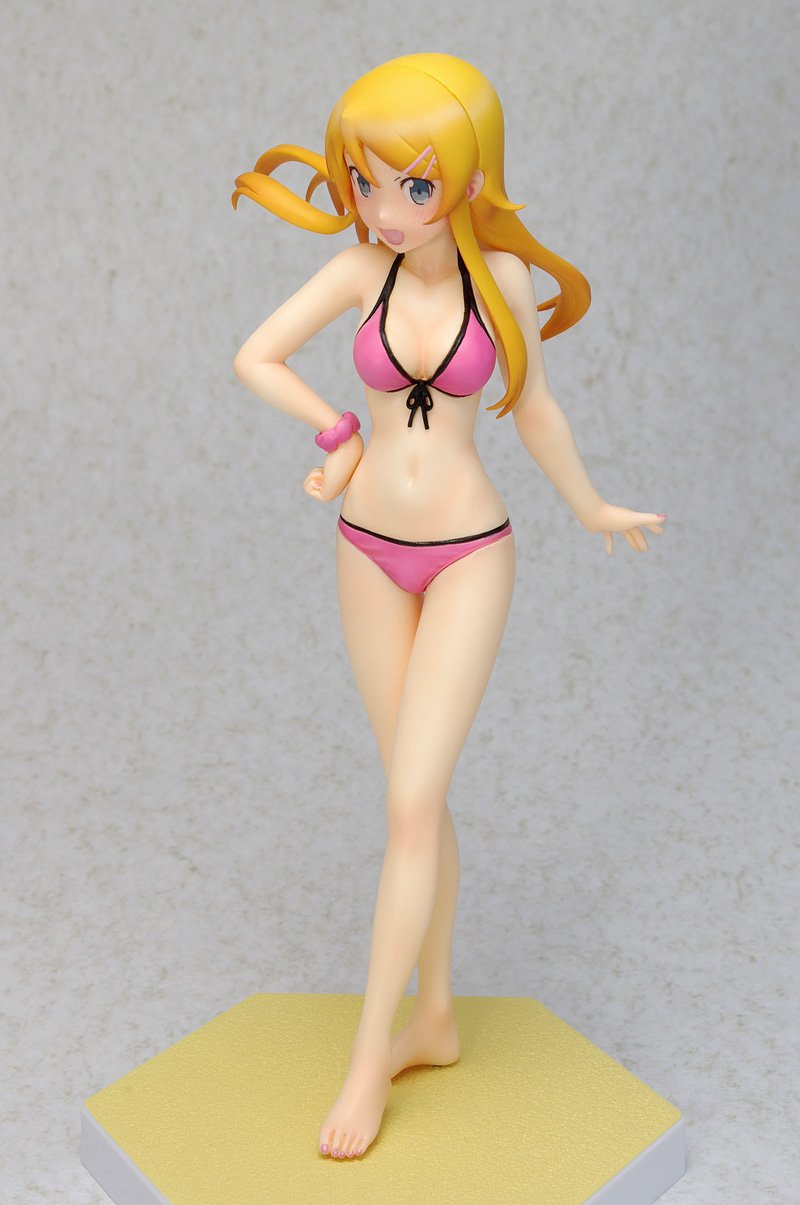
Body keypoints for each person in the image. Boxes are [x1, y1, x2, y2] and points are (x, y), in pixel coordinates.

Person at [232, 52, 664, 1161]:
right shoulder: (358, 270)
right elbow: (255, 357)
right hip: (365, 551)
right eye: (366, 182)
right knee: (411, 801)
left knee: (411, 801)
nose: (384, 208)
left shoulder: (499, 282)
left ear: (470, 179)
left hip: (469, 553)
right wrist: (337, 431)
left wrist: (588, 503)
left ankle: (368, 1057)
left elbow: (536, 410)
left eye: (412, 185)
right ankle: (435, 1014)